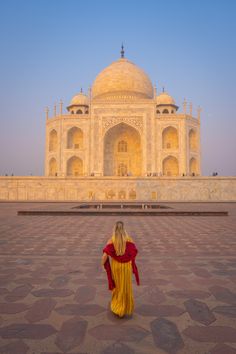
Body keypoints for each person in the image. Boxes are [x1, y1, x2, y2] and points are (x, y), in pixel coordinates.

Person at [101, 221, 139, 318]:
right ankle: (125, 307)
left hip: (116, 267)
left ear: (114, 229)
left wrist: (102, 265)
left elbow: (105, 255)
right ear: (123, 229)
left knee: (118, 286)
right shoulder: (129, 239)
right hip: (126, 266)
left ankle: (119, 308)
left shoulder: (111, 240)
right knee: (125, 286)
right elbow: (134, 252)